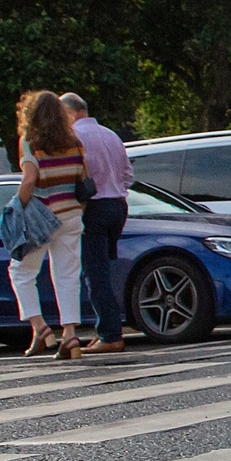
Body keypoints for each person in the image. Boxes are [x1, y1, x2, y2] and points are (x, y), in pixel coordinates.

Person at [10, 90, 90, 359]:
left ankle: (41, 328)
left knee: (21, 271)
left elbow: (29, 180)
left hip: (42, 217)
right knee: (67, 276)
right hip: (71, 215)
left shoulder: (30, 143)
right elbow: (82, 178)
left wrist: (17, 207)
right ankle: (70, 335)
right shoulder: (75, 142)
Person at [60, 92, 134, 353]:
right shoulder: (111, 135)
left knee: (95, 274)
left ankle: (110, 334)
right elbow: (128, 175)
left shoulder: (74, 138)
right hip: (118, 205)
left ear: (70, 113)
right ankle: (107, 326)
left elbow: (74, 175)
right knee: (102, 270)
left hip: (94, 207)